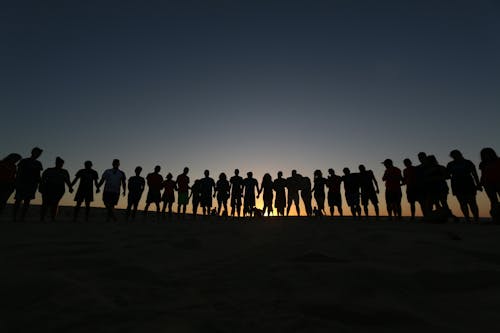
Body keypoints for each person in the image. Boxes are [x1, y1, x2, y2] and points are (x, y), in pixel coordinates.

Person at [447, 150, 482, 222]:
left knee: (472, 202)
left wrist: (478, 184)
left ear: (460, 154)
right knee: (462, 203)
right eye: (453, 155)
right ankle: (467, 219)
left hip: (468, 183)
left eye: (456, 154)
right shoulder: (450, 164)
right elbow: (447, 175)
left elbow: (474, 174)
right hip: (457, 184)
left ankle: (476, 218)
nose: (455, 156)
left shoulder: (468, 162)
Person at [13, 147, 43, 222]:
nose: (38, 155)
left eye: (39, 154)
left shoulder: (38, 163)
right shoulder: (24, 161)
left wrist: (40, 183)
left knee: (27, 201)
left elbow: (38, 175)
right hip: (22, 183)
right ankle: (14, 217)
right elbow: (19, 173)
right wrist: (17, 182)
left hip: (32, 185)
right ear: (32, 152)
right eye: (37, 153)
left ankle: (22, 217)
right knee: (18, 200)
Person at [39, 157, 73, 222]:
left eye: (61, 163)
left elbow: (67, 180)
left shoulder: (64, 172)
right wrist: (41, 187)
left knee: (55, 203)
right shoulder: (49, 170)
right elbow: (43, 179)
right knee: (45, 203)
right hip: (48, 189)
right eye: (58, 163)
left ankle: (52, 218)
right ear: (56, 163)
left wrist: (70, 187)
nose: (60, 164)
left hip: (59, 190)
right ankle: (42, 218)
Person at [479, 147, 500, 219]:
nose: (486, 156)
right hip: (488, 184)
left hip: (498, 182)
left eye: (487, 154)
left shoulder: (498, 161)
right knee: (493, 201)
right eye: (484, 154)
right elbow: (483, 174)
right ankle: (496, 217)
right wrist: (480, 184)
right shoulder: (483, 164)